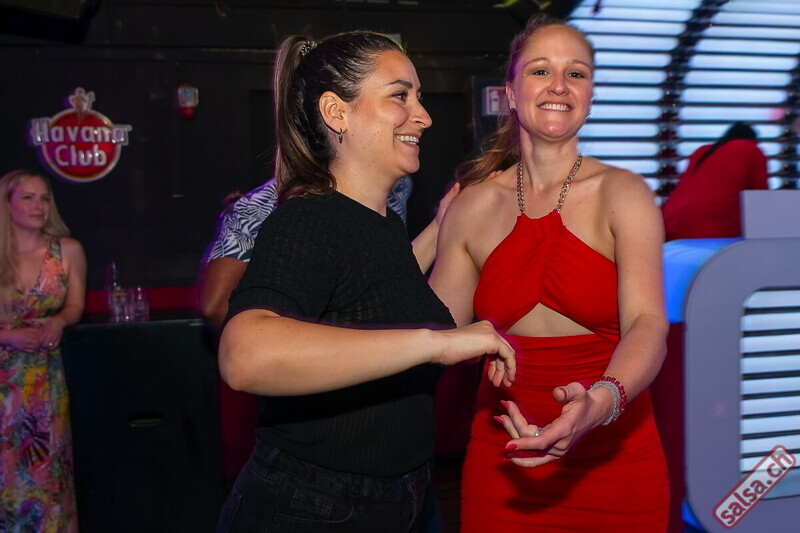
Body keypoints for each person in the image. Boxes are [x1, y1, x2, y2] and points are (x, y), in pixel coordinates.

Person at [215, 30, 515, 532]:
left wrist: (443, 226)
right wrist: (438, 344)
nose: (423, 115)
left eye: (418, 97)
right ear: (337, 113)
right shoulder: (309, 218)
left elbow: (368, 290)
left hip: (396, 497)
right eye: (400, 95)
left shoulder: (379, 223)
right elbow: (243, 355)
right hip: (313, 506)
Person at [428, 14, 670, 531]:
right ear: (510, 93)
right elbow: (434, 336)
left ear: (590, 95)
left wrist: (601, 402)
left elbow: (648, 323)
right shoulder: (473, 207)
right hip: (504, 457)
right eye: (541, 70)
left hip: (616, 460)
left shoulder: (624, 194)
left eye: (576, 73)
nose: (559, 85)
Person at [0, 169, 86, 532]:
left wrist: (59, 321)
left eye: (44, 198)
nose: (39, 205)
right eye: (28, 197)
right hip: (3, 379)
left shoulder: (67, 250)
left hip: (43, 381)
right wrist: (8, 336)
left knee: (47, 467)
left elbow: (75, 306)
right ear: (6, 204)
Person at [661, 121, 768, 241]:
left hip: (672, 219)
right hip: (712, 225)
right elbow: (760, 196)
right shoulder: (751, 149)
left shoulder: (703, 150)